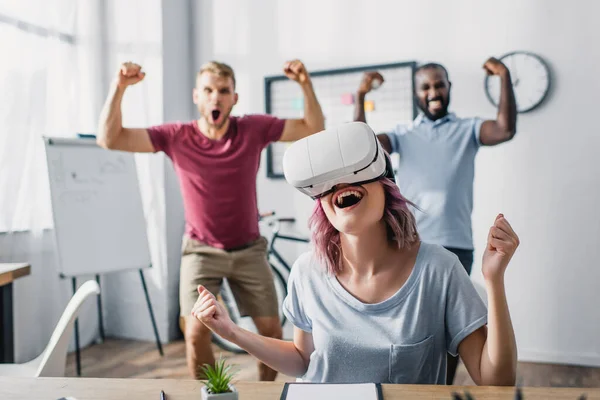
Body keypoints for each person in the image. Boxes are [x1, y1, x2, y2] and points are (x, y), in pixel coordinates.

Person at [191, 122, 519, 385]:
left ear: (386, 185)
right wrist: (232, 331)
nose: (339, 187)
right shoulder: (307, 272)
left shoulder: (439, 270)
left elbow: (495, 379)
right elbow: (302, 360)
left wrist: (494, 280)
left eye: (353, 175)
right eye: (326, 185)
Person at [97, 59, 325, 381]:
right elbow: (111, 139)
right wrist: (118, 88)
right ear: (197, 96)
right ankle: (210, 394)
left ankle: (263, 394)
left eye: (223, 91)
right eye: (208, 90)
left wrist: (305, 83)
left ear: (234, 98)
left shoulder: (253, 129)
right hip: (200, 250)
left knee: (272, 331)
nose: (215, 98)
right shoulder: (176, 136)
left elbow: (312, 127)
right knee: (194, 332)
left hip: (248, 249)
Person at [354, 58, 517, 383]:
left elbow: (504, 129)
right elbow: (362, 146)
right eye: (425, 87)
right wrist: (360, 96)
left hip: (456, 246)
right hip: (409, 246)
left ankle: (441, 388)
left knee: (452, 330)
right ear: (416, 94)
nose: (433, 92)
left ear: (448, 88)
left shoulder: (467, 129)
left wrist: (504, 76)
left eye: (439, 85)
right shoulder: (404, 134)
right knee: (414, 326)